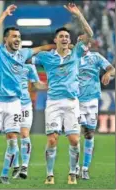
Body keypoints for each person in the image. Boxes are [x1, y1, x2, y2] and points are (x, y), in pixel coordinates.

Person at [0, 4, 55, 184]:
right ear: (5, 39)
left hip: (15, 103)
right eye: (14, 36)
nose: (17, 39)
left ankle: (5, 174)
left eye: (19, 37)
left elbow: (39, 49)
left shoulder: (23, 54)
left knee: (13, 140)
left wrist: (56, 46)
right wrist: (5, 13)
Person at [31, 3, 93, 185]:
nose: (65, 38)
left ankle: (72, 173)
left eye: (67, 36)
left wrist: (79, 15)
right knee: (52, 140)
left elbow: (90, 35)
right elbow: (26, 61)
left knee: (74, 140)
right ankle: (49, 174)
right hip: (54, 102)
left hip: (72, 102)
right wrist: (35, 81)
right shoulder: (46, 56)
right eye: (62, 36)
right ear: (56, 40)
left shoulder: (76, 53)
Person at [76, 37, 115, 180]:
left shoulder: (96, 57)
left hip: (92, 100)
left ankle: (85, 168)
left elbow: (112, 69)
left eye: (85, 42)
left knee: (89, 134)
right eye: (80, 42)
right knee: (75, 135)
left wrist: (108, 73)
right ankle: (74, 168)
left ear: (89, 45)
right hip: (75, 101)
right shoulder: (72, 58)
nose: (83, 44)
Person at [12, 63, 47, 179]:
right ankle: (16, 166)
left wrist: (53, 85)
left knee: (24, 133)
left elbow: (37, 84)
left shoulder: (29, 67)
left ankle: (24, 167)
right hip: (10, 104)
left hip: (25, 105)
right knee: (12, 136)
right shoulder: (5, 63)